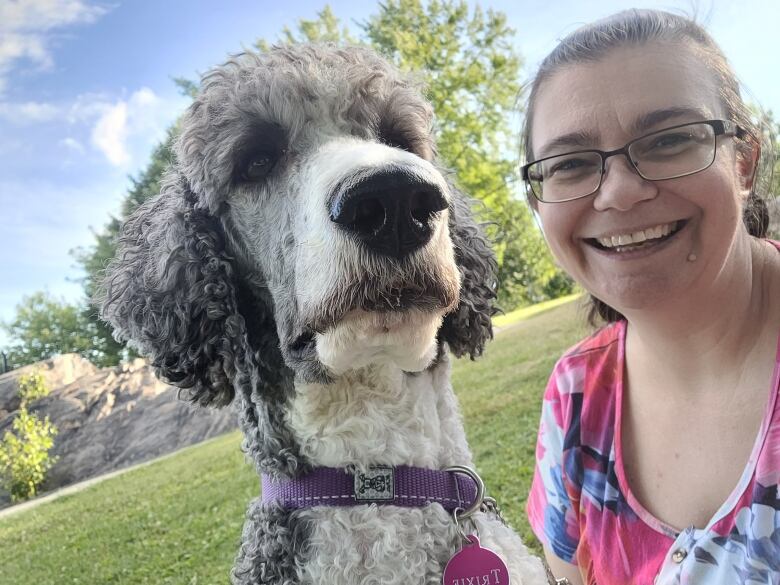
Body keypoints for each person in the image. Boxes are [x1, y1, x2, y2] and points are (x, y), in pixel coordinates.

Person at [522, 9, 779, 585]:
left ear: (743, 162)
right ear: (540, 202)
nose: (620, 193)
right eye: (569, 164)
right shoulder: (574, 398)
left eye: (668, 140)